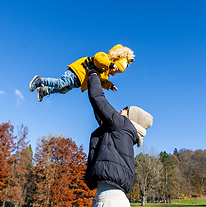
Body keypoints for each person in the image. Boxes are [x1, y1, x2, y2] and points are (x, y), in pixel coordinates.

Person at [82, 58, 153, 207]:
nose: (121, 109)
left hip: (110, 201)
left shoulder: (123, 126)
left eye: (126, 109)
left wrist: (94, 73)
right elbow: (100, 111)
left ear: (132, 117)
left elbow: (99, 101)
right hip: (109, 200)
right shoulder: (122, 131)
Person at [29, 44, 135, 102]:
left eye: (116, 71)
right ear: (114, 60)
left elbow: (101, 82)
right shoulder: (104, 57)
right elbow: (98, 60)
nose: (114, 70)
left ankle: (44, 90)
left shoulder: (105, 74)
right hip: (76, 71)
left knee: (63, 90)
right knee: (61, 83)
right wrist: (110, 65)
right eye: (115, 68)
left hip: (79, 81)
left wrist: (110, 86)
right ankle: (40, 80)